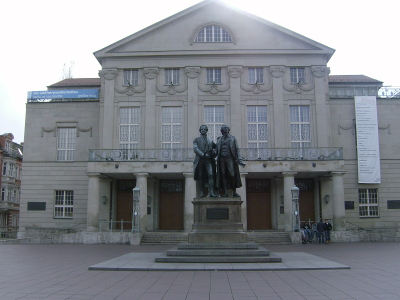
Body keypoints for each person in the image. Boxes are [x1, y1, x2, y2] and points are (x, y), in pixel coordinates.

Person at [216, 124, 245, 197]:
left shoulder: (233, 138)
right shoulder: (219, 139)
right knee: (223, 175)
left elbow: (237, 149)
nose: (226, 129)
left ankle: (234, 192)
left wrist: (239, 158)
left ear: (229, 130)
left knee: (232, 174)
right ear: (222, 130)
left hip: (230, 158)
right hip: (221, 158)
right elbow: (216, 150)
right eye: (224, 128)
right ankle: (225, 192)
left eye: (227, 128)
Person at [193, 125, 218, 197]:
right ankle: (201, 192)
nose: (203, 130)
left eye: (204, 129)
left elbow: (216, 147)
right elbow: (195, 148)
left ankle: (211, 192)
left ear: (207, 130)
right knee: (200, 176)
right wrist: (202, 154)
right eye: (202, 129)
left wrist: (214, 153)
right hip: (200, 160)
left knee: (211, 174)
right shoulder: (196, 139)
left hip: (208, 160)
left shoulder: (210, 140)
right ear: (200, 130)